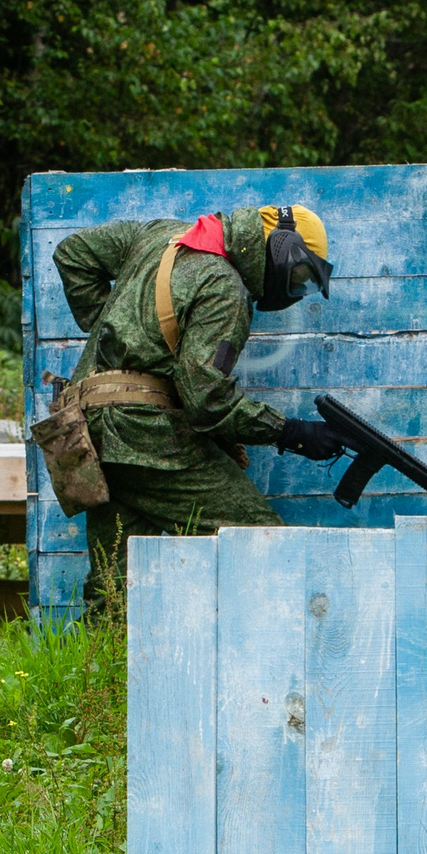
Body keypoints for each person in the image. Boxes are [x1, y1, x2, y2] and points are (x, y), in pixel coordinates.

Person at [45, 204, 350, 597]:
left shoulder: (158, 234)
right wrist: (292, 432)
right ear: (280, 248)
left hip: (87, 431)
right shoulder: (222, 286)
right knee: (264, 545)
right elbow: (207, 400)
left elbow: (74, 252)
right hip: (142, 434)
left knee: (114, 588)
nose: (293, 289)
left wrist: (113, 328)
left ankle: (97, 658)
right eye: (299, 275)